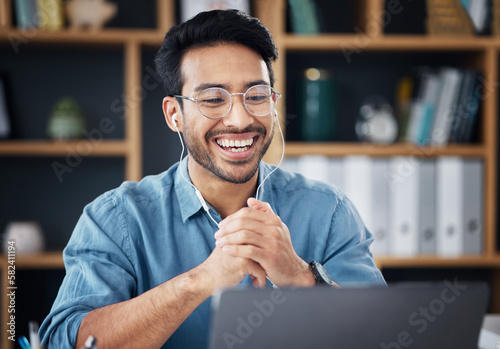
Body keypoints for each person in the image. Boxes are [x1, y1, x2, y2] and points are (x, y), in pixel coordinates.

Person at [40, 9, 385, 349]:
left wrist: (301, 277)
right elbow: (65, 343)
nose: (239, 119)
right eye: (213, 99)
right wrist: (200, 281)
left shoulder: (329, 212)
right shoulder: (114, 219)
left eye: (256, 96)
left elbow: (385, 336)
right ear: (175, 115)